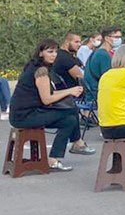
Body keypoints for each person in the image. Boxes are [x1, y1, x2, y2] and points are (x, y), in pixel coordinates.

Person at [9, 40, 94, 171]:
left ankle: (56, 157)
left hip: (25, 113)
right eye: (50, 52)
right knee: (71, 111)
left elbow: (48, 93)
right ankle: (75, 143)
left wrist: (70, 91)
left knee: (69, 119)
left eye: (55, 51)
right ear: (41, 53)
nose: (54, 55)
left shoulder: (34, 66)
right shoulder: (41, 71)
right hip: (25, 116)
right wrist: (70, 91)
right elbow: (47, 99)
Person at [83, 26, 123, 100]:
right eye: (116, 37)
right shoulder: (103, 55)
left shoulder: (97, 51)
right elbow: (109, 79)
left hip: (93, 92)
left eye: (120, 37)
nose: (119, 39)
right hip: (98, 95)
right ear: (107, 38)